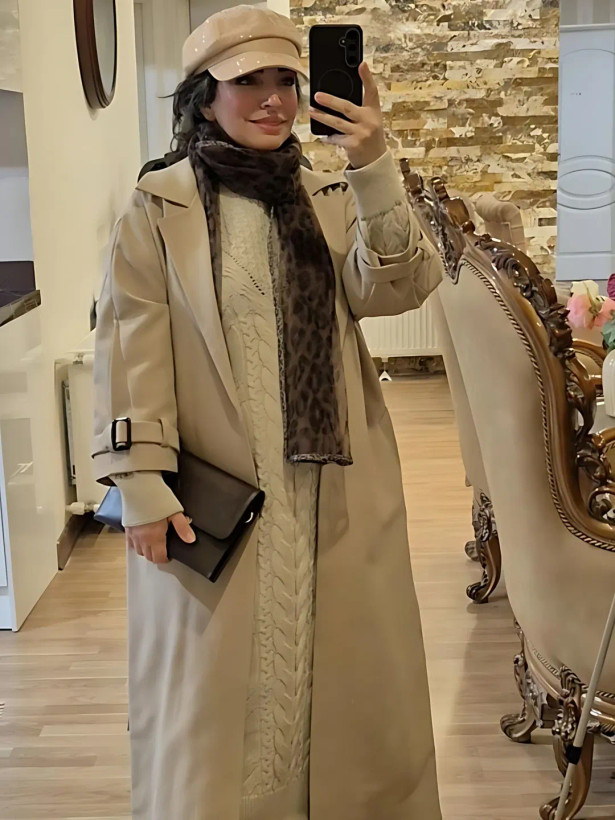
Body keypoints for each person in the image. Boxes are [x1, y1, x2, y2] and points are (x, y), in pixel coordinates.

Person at [91, 5, 443, 819]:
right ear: (203, 95)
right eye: (247, 80)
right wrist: (139, 482)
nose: (273, 99)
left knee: (347, 685)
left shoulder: (328, 192)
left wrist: (372, 162)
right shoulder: (158, 207)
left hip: (333, 493)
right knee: (217, 700)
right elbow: (129, 347)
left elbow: (397, 288)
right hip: (216, 496)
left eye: (287, 79)